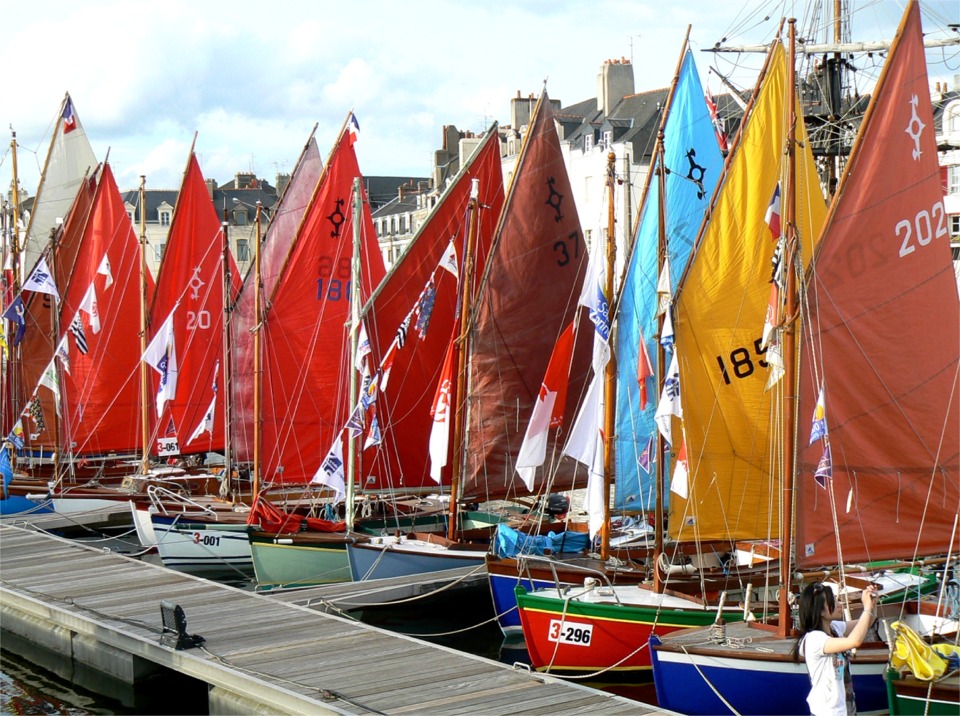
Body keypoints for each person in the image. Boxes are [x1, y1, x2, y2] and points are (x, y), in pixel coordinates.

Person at [795, 581, 879, 716]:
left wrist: (872, 604)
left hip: (846, 709)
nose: (839, 605)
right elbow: (855, 641)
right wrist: (866, 608)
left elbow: (866, 623)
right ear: (820, 611)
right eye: (832, 602)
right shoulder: (814, 639)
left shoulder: (834, 628)